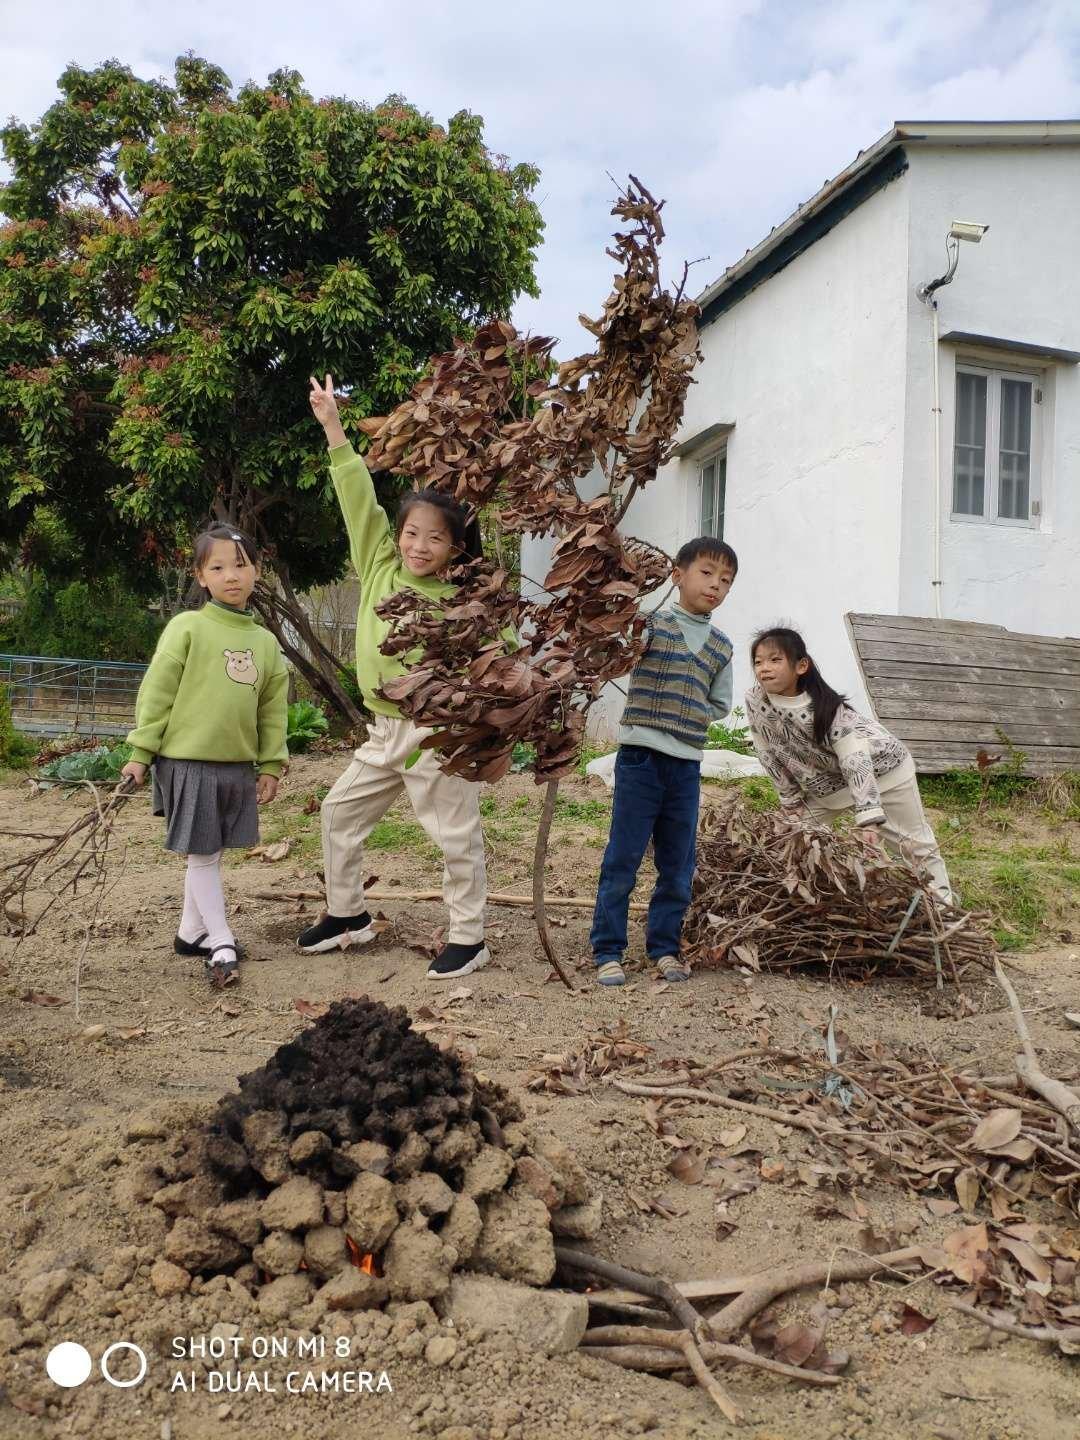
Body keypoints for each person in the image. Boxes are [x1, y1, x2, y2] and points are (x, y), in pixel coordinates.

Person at [298, 375, 491, 981]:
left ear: (458, 548)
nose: (419, 545)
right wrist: (333, 427)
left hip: (436, 733)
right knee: (338, 814)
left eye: (436, 537)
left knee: (453, 833)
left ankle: (468, 935)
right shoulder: (380, 561)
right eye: (412, 532)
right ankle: (348, 913)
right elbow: (358, 497)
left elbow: (498, 654)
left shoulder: (466, 597)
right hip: (384, 732)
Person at [121, 527, 288, 986]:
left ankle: (190, 931)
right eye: (217, 567)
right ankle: (220, 940)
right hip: (186, 761)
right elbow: (156, 694)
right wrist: (141, 752)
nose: (231, 575)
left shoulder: (266, 643)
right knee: (204, 855)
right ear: (200, 576)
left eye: (240, 565)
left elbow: (272, 711)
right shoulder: (188, 627)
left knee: (210, 852)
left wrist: (271, 763)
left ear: (257, 570)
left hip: (236, 764)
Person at [590, 537, 737, 986]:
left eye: (726, 581)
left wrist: (687, 712)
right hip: (639, 760)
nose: (715, 585)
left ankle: (664, 948)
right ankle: (608, 949)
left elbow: (720, 704)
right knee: (624, 856)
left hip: (686, 767)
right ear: (678, 575)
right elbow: (615, 656)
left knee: (677, 863)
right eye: (706, 573)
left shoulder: (720, 646)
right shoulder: (650, 624)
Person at [746, 626, 954, 903]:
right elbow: (766, 751)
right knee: (791, 839)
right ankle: (798, 904)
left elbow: (854, 760)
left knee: (913, 844)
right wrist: (791, 802)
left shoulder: (829, 710)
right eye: (758, 662)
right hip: (827, 785)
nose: (764, 668)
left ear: (801, 666)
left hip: (883, 771)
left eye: (775, 660)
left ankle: (943, 910)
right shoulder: (754, 699)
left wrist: (869, 819)